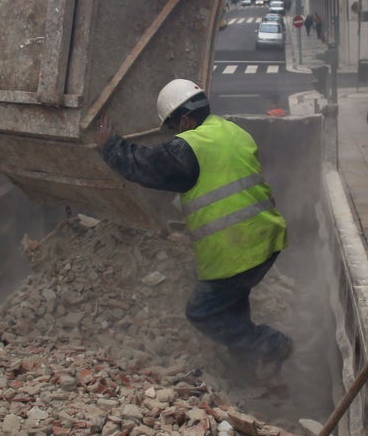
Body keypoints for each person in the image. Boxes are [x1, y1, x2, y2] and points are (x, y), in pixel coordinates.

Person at [95, 79, 293, 376]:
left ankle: (273, 346)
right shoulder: (232, 132)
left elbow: (143, 164)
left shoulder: (191, 147)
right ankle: (246, 368)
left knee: (201, 312)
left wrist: (109, 145)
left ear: (185, 119)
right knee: (233, 305)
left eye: (174, 128)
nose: (175, 136)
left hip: (237, 249)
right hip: (265, 237)